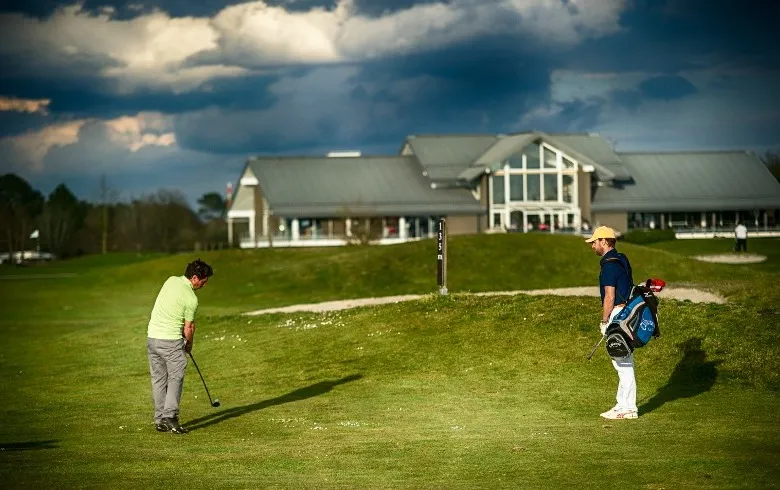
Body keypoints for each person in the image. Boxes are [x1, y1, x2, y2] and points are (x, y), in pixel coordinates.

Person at [147, 258, 213, 434]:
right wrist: (189, 344)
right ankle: (170, 416)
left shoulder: (170, 280)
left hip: (152, 339)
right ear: (194, 278)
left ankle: (160, 419)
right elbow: (189, 327)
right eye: (203, 281)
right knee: (176, 377)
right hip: (170, 341)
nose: (204, 285)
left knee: (159, 379)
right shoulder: (191, 298)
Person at [585, 226, 638, 420]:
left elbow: (609, 296)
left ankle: (628, 408)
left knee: (622, 361)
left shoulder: (608, 265)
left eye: (595, 242)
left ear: (605, 241)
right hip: (626, 312)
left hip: (616, 313)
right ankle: (622, 404)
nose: (592, 246)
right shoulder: (621, 258)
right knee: (622, 360)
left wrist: (604, 320)